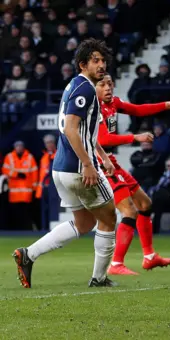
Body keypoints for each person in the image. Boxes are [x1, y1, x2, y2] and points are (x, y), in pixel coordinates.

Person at [13, 38, 121, 288]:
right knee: (108, 218)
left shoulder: (75, 85)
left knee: (84, 223)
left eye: (103, 60)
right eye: (95, 60)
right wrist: (88, 164)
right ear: (83, 64)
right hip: (77, 168)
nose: (101, 65)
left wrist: (102, 157)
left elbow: (83, 131)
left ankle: (27, 255)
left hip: (61, 169)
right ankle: (99, 279)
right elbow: (72, 130)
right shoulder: (85, 89)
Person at [95, 73, 170, 275]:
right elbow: (102, 139)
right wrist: (135, 137)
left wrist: (168, 104)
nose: (108, 88)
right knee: (129, 211)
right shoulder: (93, 109)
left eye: (110, 84)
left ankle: (149, 256)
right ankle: (116, 264)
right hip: (99, 164)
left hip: (111, 161)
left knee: (145, 204)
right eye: (102, 84)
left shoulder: (113, 103)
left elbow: (138, 110)